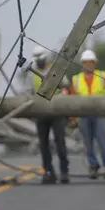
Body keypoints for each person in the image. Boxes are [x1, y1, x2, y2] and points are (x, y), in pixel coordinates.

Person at [69, 49, 105, 179]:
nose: (88, 65)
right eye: (85, 62)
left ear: (94, 63)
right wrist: (72, 118)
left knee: (103, 140)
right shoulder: (76, 79)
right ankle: (93, 166)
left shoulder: (101, 76)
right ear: (82, 64)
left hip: (99, 113)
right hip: (84, 115)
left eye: (90, 62)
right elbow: (72, 99)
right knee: (88, 143)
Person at [26, 46, 70, 185]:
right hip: (41, 113)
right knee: (44, 144)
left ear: (45, 58)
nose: (39, 61)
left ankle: (64, 172)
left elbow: (65, 85)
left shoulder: (55, 70)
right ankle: (48, 171)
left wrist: (63, 94)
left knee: (60, 143)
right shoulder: (31, 75)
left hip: (56, 111)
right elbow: (28, 93)